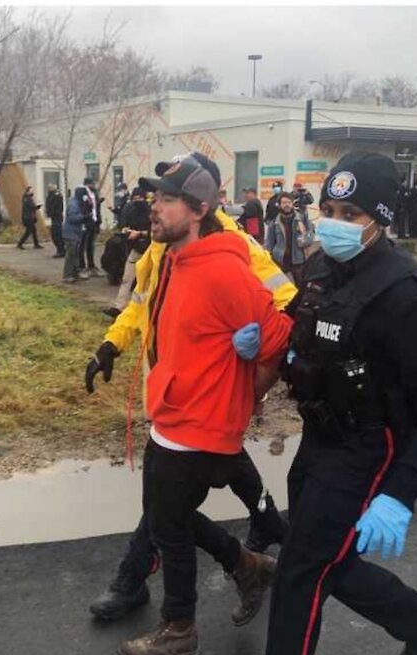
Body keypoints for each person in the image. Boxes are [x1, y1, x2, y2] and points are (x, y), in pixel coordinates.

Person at [86, 153, 293, 623]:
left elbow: (286, 306)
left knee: (166, 503)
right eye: (157, 193)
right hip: (172, 395)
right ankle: (261, 536)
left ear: (201, 202)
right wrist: (109, 346)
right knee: (185, 494)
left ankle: (139, 580)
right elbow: (140, 307)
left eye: (170, 195)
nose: (156, 204)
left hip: (212, 398)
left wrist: (255, 368)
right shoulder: (164, 248)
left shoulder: (232, 250)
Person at [255, 152, 417, 655]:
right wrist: (268, 348)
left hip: (369, 450)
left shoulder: (404, 293)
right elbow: (304, 334)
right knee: (331, 562)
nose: (333, 223)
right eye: (327, 209)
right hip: (320, 439)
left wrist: (399, 493)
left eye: (350, 213)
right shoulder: (323, 268)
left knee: (300, 572)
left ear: (380, 220)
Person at [107, 189, 152, 317]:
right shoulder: (131, 210)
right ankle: (119, 307)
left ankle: (142, 312)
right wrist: (126, 230)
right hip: (136, 249)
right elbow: (124, 225)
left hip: (151, 251)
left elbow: (157, 232)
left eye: (140, 198)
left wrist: (141, 233)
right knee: (127, 278)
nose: (137, 201)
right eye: (135, 198)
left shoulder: (153, 211)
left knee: (145, 283)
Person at [263, 192, 313, 286]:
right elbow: (269, 243)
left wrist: (304, 241)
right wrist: (267, 258)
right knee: (278, 287)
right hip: (280, 260)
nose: (287, 205)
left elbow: (310, 234)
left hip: (298, 260)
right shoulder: (274, 223)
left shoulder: (302, 218)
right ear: (279, 205)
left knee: (301, 288)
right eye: (284, 202)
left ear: (292, 203)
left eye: (289, 202)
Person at [62, 185, 89, 284]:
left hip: (75, 233)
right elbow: (72, 218)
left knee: (75, 254)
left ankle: (74, 273)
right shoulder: (73, 204)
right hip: (70, 233)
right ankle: (67, 275)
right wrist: (84, 217)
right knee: (71, 255)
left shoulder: (77, 202)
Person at [82, 177, 103, 277]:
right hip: (86, 223)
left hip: (94, 223)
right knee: (83, 245)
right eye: (92, 184)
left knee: (91, 246)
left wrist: (98, 221)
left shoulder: (94, 193)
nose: (93, 186)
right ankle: (82, 267)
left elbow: (97, 209)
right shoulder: (82, 194)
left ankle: (91, 266)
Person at [45, 185, 66, 258]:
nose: (49, 189)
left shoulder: (57, 196)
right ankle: (60, 250)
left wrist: (52, 212)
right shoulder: (50, 195)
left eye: (50, 187)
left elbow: (56, 206)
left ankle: (61, 250)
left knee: (57, 234)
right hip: (54, 217)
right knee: (54, 235)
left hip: (57, 217)